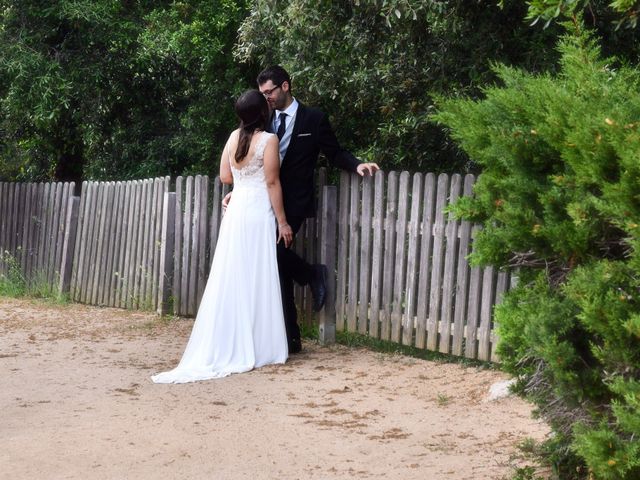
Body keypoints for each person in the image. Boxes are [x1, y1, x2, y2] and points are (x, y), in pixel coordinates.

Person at [151, 90, 294, 383]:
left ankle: (233, 337)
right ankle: (259, 343)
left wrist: (238, 190)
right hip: (257, 212)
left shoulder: (232, 138)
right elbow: (272, 181)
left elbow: (225, 177)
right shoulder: (269, 140)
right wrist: (282, 221)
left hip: (237, 209)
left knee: (234, 273)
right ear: (262, 113)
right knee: (257, 273)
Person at [254, 65, 379, 354]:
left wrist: (356, 163)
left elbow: (334, 152)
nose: (266, 98)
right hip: (262, 199)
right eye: (262, 94)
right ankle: (291, 335)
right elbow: (253, 159)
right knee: (276, 264)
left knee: (274, 253)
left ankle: (311, 278)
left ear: (285, 86)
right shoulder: (262, 119)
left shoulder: (314, 119)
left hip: (295, 201)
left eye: (269, 91)